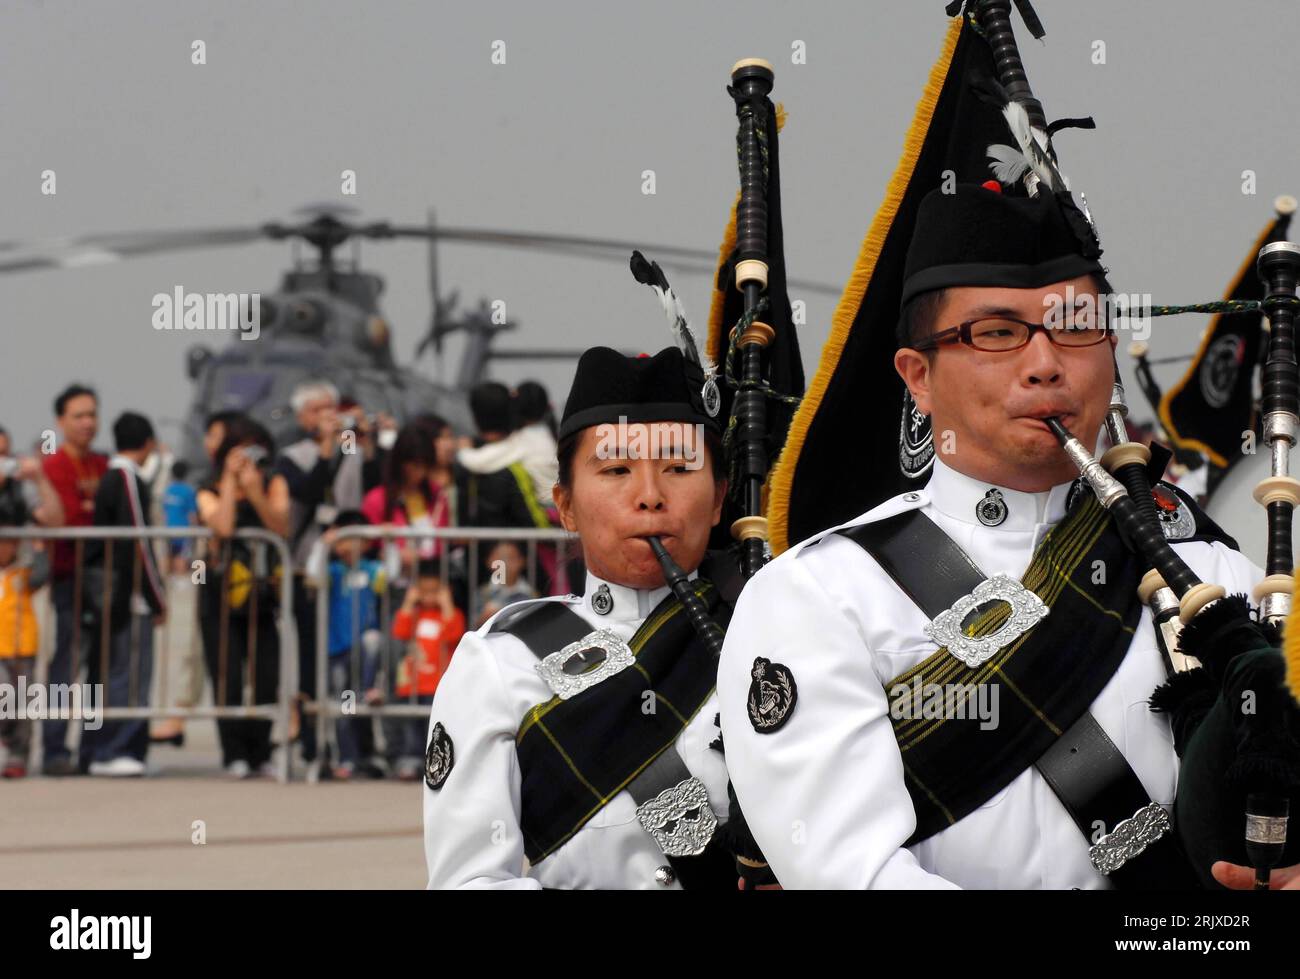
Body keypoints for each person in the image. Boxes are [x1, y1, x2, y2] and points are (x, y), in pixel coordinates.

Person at [716, 184, 1265, 889]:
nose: (1045, 363)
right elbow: (857, 873)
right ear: (918, 376)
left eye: (1075, 325)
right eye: (998, 332)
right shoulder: (819, 597)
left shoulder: (1218, 572)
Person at [423, 345, 739, 889]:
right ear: (565, 504)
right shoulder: (500, 663)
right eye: (616, 469)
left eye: (678, 468)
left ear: (719, 499)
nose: (649, 497)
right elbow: (470, 881)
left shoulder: (771, 635)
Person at [274, 381, 365, 774]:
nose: (327, 416)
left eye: (331, 408)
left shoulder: (352, 451)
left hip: (344, 571)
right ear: (301, 417)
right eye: (317, 410)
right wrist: (327, 447)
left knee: (350, 659)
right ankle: (311, 744)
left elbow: (360, 500)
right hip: (304, 572)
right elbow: (308, 494)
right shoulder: (291, 457)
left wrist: (364, 438)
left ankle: (351, 749)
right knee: (310, 661)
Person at [196, 416, 290, 778]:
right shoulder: (208, 487)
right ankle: (233, 751)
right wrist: (230, 482)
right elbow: (222, 526)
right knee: (227, 676)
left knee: (266, 673)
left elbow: (280, 525)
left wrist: (254, 490)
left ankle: (261, 750)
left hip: (261, 593)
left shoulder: (273, 482)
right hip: (220, 594)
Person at [79, 412, 168, 777]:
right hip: (127, 598)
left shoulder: (110, 478)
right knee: (128, 674)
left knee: (114, 672)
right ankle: (116, 748)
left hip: (113, 596)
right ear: (146, 443)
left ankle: (101, 748)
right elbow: (139, 544)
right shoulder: (126, 480)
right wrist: (156, 596)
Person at [40, 383, 108, 775]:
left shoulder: (102, 464)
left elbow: (104, 515)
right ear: (61, 421)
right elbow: (66, 518)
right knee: (65, 666)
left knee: (99, 670)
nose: (87, 422)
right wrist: (86, 509)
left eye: (92, 414)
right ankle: (54, 749)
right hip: (69, 579)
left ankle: (92, 747)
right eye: (79, 415)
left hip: (105, 579)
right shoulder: (54, 465)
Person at [312, 510, 385, 780]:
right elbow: (313, 574)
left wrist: (385, 540)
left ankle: (368, 688)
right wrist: (323, 545)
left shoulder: (372, 570)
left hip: (362, 652)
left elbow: (394, 573)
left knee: (373, 639)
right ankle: (348, 757)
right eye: (344, 538)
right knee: (345, 707)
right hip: (337, 649)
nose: (349, 545)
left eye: (357, 539)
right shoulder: (333, 571)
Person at [389, 561, 465, 780]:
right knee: (412, 725)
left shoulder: (452, 614)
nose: (429, 596)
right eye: (424, 591)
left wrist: (446, 603)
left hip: (437, 682)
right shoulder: (415, 614)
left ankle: (436, 762)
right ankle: (411, 760)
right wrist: (409, 601)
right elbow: (399, 630)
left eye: (435, 591)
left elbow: (454, 634)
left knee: (435, 726)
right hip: (414, 683)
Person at [0, 525, 48, 778]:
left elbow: (41, 576)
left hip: (21, 647)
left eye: (8, 543)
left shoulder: (22, 574)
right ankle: (6, 734)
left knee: (24, 700)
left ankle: (20, 753)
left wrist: (40, 548)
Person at [474, 539, 537, 628]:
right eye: (499, 558)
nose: (505, 564)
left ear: (522, 561)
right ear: (489, 561)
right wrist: (484, 617)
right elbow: (472, 627)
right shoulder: (482, 593)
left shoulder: (531, 594)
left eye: (511, 558)